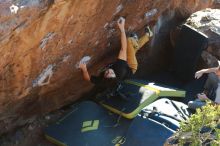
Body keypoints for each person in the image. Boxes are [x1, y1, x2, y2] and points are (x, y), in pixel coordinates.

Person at [79, 17, 153, 89]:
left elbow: (87, 78)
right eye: (111, 73)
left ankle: (148, 35)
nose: (108, 71)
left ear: (104, 77)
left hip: (124, 71)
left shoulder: (103, 81)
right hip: (131, 66)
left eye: (107, 73)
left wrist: (84, 69)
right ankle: (135, 41)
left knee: (132, 50)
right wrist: (122, 29)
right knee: (129, 41)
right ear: (115, 75)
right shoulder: (119, 69)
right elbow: (123, 49)